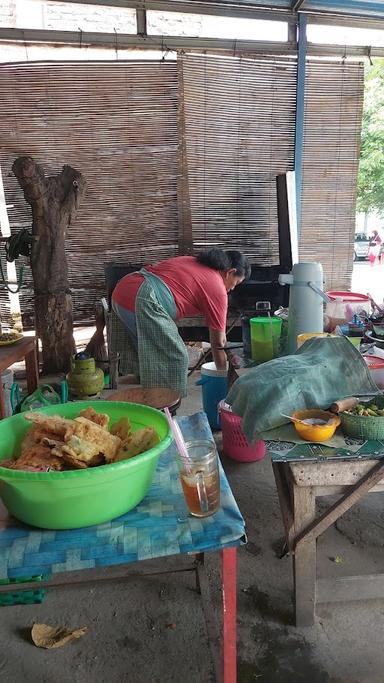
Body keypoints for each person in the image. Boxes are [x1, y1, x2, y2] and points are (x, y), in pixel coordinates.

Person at [112, 248, 251, 396]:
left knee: (148, 352)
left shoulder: (193, 261)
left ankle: (147, 398)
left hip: (122, 293)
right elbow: (218, 343)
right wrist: (223, 378)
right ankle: (165, 404)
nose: (233, 288)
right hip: (142, 299)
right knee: (176, 357)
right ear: (230, 272)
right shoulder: (217, 287)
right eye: (236, 282)